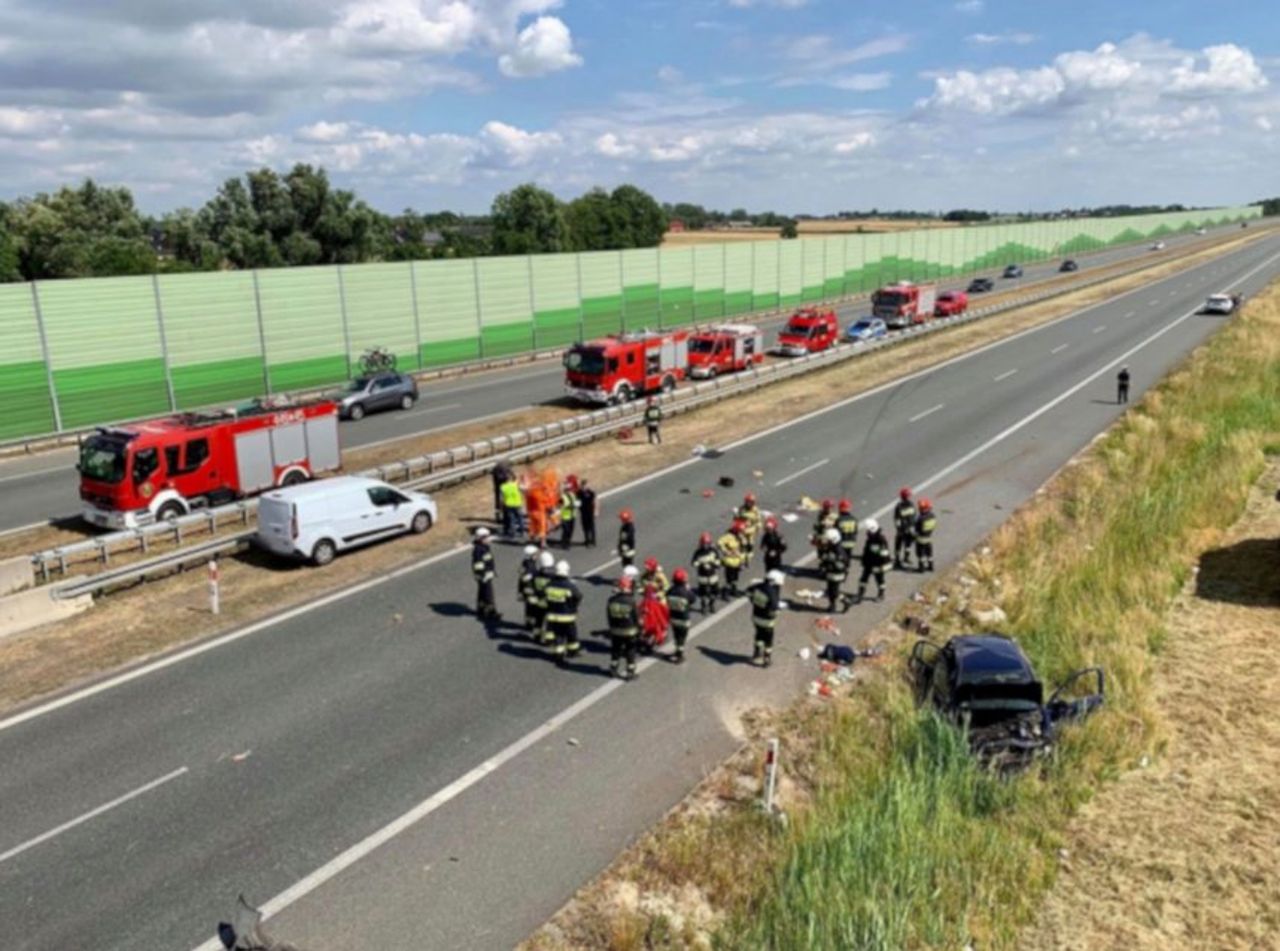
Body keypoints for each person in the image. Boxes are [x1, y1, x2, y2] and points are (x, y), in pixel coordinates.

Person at [544, 560, 583, 662]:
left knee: (558, 635)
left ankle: (559, 653)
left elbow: (544, 595)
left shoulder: (550, 584)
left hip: (553, 616)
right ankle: (573, 651)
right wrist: (573, 606)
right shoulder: (569, 585)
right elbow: (578, 596)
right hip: (567, 616)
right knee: (571, 635)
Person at [747, 569, 784, 667]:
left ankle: (756, 653)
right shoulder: (772, 593)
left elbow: (749, 593)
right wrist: (779, 609)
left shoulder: (757, 586)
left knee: (759, 635)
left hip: (756, 617)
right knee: (768, 640)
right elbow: (774, 608)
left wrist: (755, 602)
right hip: (767, 622)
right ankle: (767, 658)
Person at [607, 576, 641, 680]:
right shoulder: (631, 601)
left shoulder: (611, 600)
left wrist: (612, 628)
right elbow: (636, 617)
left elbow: (609, 616)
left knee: (616, 650)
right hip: (629, 631)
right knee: (630, 651)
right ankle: (630, 672)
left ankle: (613, 668)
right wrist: (639, 629)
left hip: (615, 630)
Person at [856, 517, 891, 603]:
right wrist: (864, 560)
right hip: (869, 562)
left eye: (868, 531)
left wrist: (880, 563)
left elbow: (884, 554)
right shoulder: (870, 539)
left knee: (879, 579)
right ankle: (860, 594)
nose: (867, 533)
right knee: (863, 579)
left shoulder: (880, 539)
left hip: (878, 564)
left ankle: (881, 594)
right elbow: (867, 550)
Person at [819, 527, 850, 613]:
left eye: (828, 540)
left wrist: (832, 561)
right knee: (830, 590)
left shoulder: (839, 550)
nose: (826, 541)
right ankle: (832, 606)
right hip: (831, 573)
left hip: (837, 574)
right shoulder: (832, 547)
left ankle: (846, 601)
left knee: (834, 591)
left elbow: (842, 565)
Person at [471, 527, 499, 621]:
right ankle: (492, 612)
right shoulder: (479, 550)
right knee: (488, 594)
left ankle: (481, 608)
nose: (488, 539)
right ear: (481, 539)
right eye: (486, 537)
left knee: (482, 592)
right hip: (484, 576)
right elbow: (478, 565)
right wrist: (484, 575)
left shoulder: (484, 547)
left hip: (485, 575)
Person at [667, 568, 694, 663]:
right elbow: (692, 599)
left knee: (676, 635)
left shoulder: (670, 590)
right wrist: (688, 589)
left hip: (673, 618)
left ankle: (677, 651)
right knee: (682, 637)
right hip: (684, 620)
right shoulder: (685, 592)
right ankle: (679, 655)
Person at [692, 531, 721, 613]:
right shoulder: (698, 552)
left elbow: (718, 562)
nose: (705, 546)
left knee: (715, 592)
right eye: (703, 544)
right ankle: (703, 606)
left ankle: (711, 605)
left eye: (707, 543)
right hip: (702, 576)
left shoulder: (713, 551)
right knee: (702, 593)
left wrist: (712, 564)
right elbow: (693, 563)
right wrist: (701, 564)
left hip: (713, 576)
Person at [532, 550, 556, 643]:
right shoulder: (553, 575)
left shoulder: (536, 574)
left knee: (538, 620)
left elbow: (533, 586)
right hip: (550, 602)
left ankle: (536, 636)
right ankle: (549, 638)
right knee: (550, 621)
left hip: (539, 602)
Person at [717, 520, 746, 597]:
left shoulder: (741, 537)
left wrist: (742, 561)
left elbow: (743, 549)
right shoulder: (728, 536)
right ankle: (725, 593)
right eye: (740, 531)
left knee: (736, 578)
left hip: (737, 561)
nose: (741, 532)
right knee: (729, 578)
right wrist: (726, 551)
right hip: (729, 561)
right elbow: (719, 543)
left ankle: (734, 591)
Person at [893, 487, 917, 569]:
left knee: (908, 544)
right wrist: (899, 530)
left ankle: (906, 557)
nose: (909, 497)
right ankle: (897, 560)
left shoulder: (911, 504)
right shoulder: (899, 507)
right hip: (902, 529)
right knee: (899, 544)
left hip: (909, 529)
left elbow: (913, 517)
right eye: (909, 495)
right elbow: (897, 519)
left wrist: (913, 527)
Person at [518, 544, 540, 633]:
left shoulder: (525, 563)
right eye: (535, 554)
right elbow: (525, 578)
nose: (537, 556)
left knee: (528, 608)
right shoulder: (530, 565)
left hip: (526, 590)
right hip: (531, 590)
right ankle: (531, 624)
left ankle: (528, 623)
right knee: (533, 608)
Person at [736, 492, 762, 564]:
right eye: (748, 502)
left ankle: (748, 558)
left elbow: (758, 521)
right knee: (742, 545)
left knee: (750, 544)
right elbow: (737, 518)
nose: (749, 504)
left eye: (750, 502)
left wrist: (758, 528)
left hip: (751, 530)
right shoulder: (742, 508)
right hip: (742, 529)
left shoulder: (755, 510)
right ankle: (742, 560)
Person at [499, 471, 526, 539]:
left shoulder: (503, 487)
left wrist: (502, 507)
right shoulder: (516, 484)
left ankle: (513, 533)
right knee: (520, 518)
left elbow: (502, 498)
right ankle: (522, 532)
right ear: (511, 478)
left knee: (512, 519)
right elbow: (523, 489)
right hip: (517, 504)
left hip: (508, 505)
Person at [914, 498, 937, 573]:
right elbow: (933, 526)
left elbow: (917, 529)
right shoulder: (933, 516)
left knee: (920, 554)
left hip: (921, 539)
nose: (919, 509)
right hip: (929, 537)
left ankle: (921, 568)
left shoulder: (920, 518)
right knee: (929, 553)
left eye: (921, 508)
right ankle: (931, 566)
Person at [836, 499, 859, 564]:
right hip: (851, 542)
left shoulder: (839, 520)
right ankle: (847, 564)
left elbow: (836, 531)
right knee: (848, 555)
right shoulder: (854, 519)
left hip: (842, 542)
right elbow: (855, 531)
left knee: (841, 555)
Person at [578, 478, 598, 547]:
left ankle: (593, 541)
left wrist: (596, 511)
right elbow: (577, 502)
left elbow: (595, 501)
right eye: (583, 485)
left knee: (591, 527)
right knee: (585, 527)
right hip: (583, 512)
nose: (584, 486)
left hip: (590, 512)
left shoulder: (591, 492)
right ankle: (587, 541)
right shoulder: (578, 493)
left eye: (585, 485)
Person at [558, 482, 578, 550]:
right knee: (566, 531)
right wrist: (569, 506)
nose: (569, 490)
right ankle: (564, 544)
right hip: (565, 516)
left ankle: (568, 542)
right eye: (567, 489)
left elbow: (575, 501)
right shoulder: (562, 497)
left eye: (570, 489)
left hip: (572, 515)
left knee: (571, 530)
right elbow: (560, 505)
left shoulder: (572, 495)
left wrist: (577, 504)